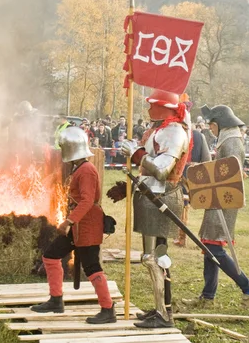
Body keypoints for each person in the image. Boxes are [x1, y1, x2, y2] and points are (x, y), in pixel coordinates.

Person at [107, 89, 191, 328]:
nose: (148, 109)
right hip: (150, 194)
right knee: (159, 257)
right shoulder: (160, 130)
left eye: (152, 105)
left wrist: (136, 153)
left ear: (164, 107)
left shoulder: (174, 132)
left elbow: (162, 170)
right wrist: (129, 183)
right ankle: (161, 309)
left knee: (151, 258)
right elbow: (148, 169)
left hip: (160, 197)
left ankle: (163, 316)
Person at [31, 127, 116, 324]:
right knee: (51, 256)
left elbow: (87, 201)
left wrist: (70, 220)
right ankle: (56, 300)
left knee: (92, 266)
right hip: (78, 226)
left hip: (86, 225)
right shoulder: (80, 167)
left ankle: (108, 308)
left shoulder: (86, 170)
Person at [183, 104, 249, 308]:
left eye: (211, 125)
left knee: (214, 249)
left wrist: (200, 171)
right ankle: (208, 297)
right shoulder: (228, 139)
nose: (210, 128)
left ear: (219, 124)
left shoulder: (233, 141)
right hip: (217, 198)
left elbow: (229, 172)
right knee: (210, 247)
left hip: (224, 199)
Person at [173, 120, 212, 247]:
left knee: (182, 206)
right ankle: (182, 237)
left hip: (179, 174)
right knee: (185, 207)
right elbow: (206, 159)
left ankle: (181, 238)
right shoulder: (199, 136)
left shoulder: (176, 134)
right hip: (194, 174)